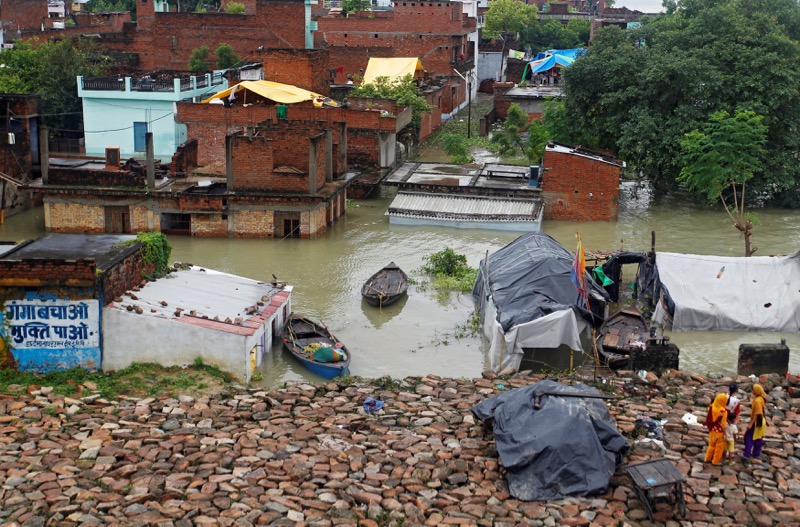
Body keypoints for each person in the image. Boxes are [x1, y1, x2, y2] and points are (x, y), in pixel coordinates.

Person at [742, 383, 768, 462]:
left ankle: (746, 453)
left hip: (757, 422)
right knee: (758, 437)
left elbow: (757, 413)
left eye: (753, 390)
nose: (752, 391)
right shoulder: (761, 398)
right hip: (762, 421)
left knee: (749, 437)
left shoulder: (757, 401)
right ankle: (756, 453)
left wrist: (750, 424)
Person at [704, 393, 729, 465]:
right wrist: (725, 434)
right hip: (720, 433)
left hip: (712, 431)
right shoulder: (723, 412)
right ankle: (715, 461)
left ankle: (707, 458)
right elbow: (723, 424)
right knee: (719, 448)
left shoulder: (711, 407)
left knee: (711, 445)